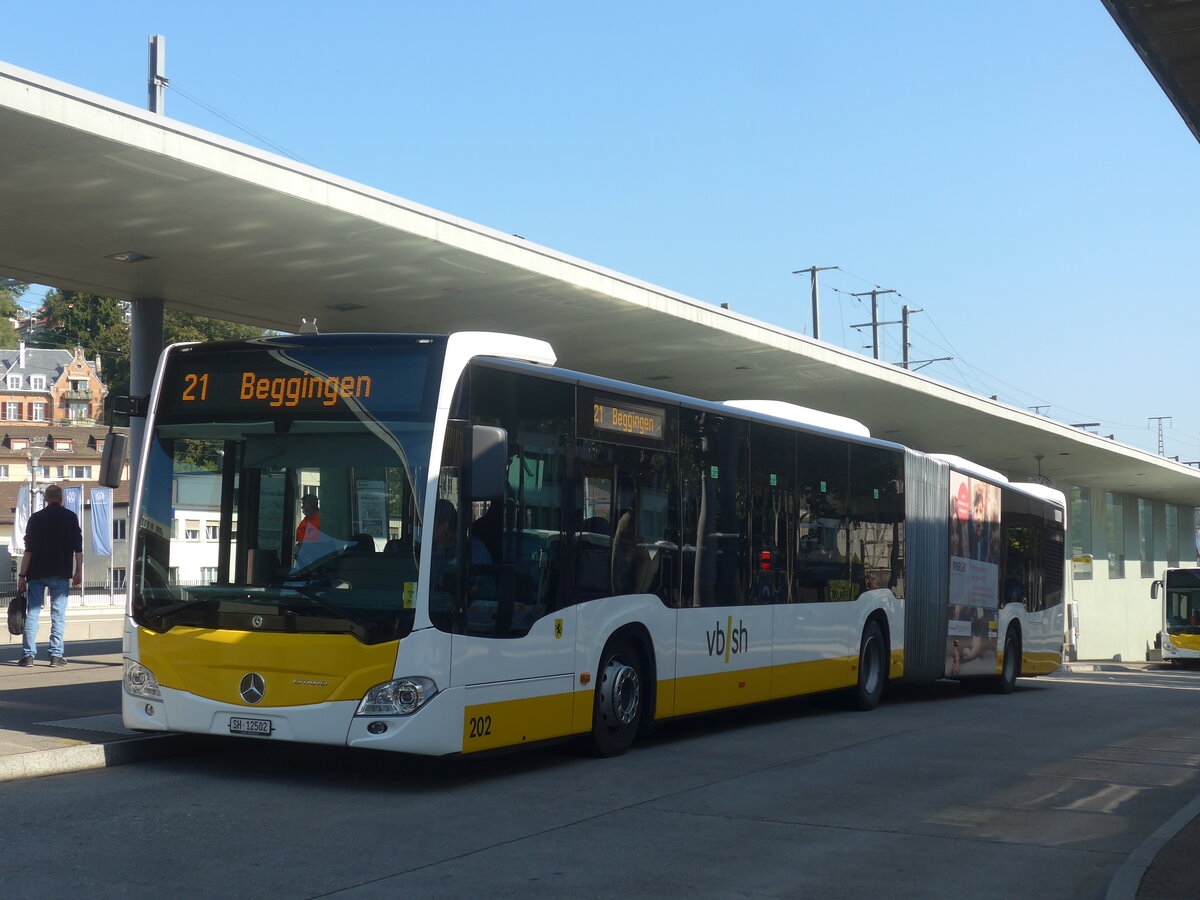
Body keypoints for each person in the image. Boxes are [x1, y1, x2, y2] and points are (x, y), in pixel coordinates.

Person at [16, 484, 83, 667]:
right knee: (58, 615)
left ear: (45, 499)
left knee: (33, 613)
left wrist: (22, 576)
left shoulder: (35, 519)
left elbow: (28, 551)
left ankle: (28, 656)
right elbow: (78, 549)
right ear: (61, 498)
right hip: (60, 573)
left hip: (36, 573)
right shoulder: (70, 517)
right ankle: (55, 656)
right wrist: (79, 571)